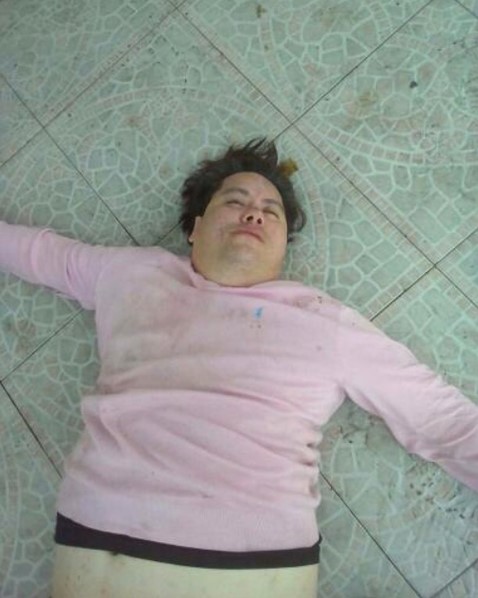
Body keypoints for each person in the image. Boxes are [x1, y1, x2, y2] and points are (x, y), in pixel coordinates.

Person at [0, 139, 477, 598]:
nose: (254, 213)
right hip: (99, 541)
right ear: (195, 227)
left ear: (283, 245)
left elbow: (441, 420)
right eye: (235, 201)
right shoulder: (130, 273)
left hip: (253, 566)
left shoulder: (326, 322)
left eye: (272, 211)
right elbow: (41, 254)